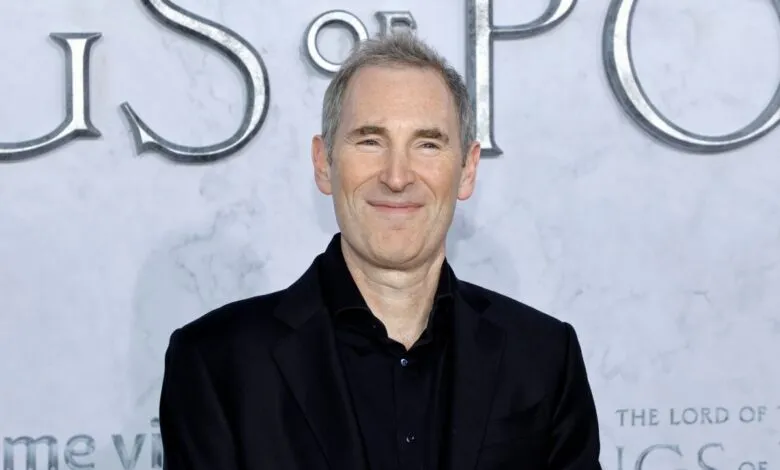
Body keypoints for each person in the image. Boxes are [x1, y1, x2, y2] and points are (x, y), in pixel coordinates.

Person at [159, 32, 602, 470]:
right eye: (370, 140)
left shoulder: (543, 357)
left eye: (427, 143)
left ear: (467, 170)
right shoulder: (217, 364)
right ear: (324, 163)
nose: (396, 176)